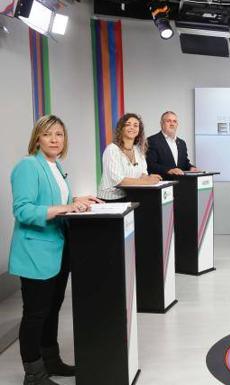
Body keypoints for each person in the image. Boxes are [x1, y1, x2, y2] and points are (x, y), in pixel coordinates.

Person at [9, 115, 101, 385]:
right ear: (37, 138)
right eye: (48, 134)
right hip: (35, 251)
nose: (54, 139)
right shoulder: (28, 166)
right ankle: (34, 374)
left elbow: (53, 201)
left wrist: (75, 200)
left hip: (58, 250)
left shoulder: (56, 166)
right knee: (36, 313)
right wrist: (65, 208)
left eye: (59, 134)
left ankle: (51, 360)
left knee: (52, 309)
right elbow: (23, 210)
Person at [98, 113, 162, 201]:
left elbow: (142, 174)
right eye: (128, 124)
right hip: (110, 200)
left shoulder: (139, 151)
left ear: (139, 131)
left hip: (130, 196)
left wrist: (150, 177)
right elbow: (120, 181)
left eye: (136, 125)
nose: (132, 127)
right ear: (121, 128)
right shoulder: (112, 150)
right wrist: (147, 181)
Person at [146, 111, 199, 177]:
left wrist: (191, 167)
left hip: (182, 183)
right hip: (163, 183)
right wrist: (169, 170)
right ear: (161, 124)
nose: (172, 124)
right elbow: (150, 164)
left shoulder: (182, 143)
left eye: (174, 121)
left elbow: (185, 162)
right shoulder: (152, 141)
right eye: (168, 121)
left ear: (177, 124)